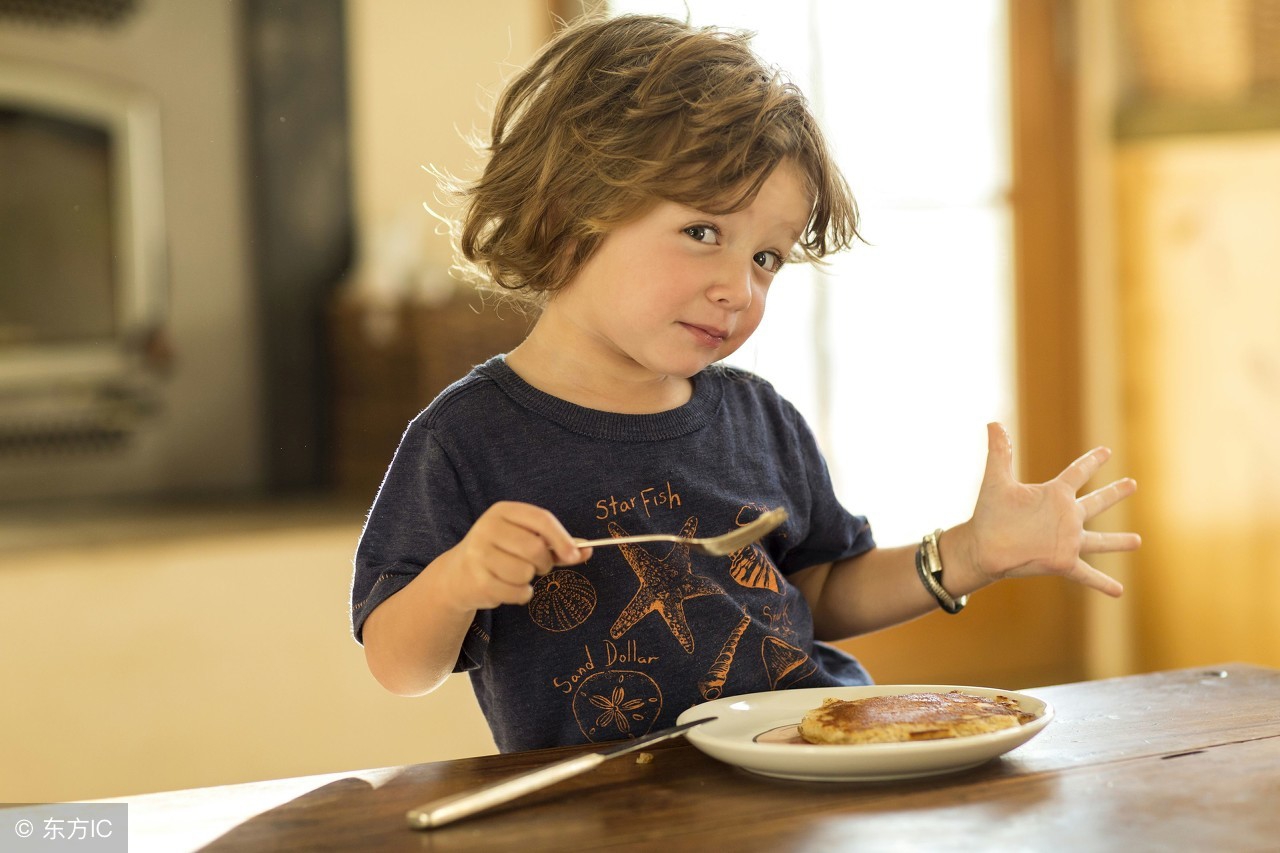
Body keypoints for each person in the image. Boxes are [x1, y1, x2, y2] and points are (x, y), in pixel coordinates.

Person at [349, 13, 1140, 753]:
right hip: (609, 814)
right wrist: (457, 581)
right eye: (702, 232)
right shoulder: (466, 437)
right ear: (572, 209)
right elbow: (396, 663)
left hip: (804, 769)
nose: (740, 287)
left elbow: (820, 589)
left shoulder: (758, 418)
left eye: (766, 257)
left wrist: (970, 552)